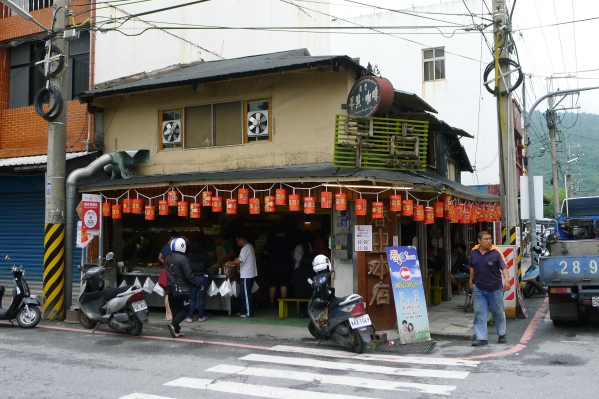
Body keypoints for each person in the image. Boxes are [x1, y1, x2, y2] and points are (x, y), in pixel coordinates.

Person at [470, 230, 511, 346]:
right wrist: (470, 281)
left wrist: (507, 280)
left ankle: (502, 334)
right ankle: (481, 338)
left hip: (495, 288)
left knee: (498, 312)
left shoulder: (496, 251)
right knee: (479, 312)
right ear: (479, 241)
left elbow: (504, 267)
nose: (489, 241)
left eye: (490, 239)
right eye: (486, 239)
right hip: (479, 288)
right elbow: (472, 266)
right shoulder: (474, 251)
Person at [165, 238, 204, 338]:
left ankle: (176, 331)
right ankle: (173, 325)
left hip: (170, 288)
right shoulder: (183, 259)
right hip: (181, 289)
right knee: (185, 309)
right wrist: (199, 285)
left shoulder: (168, 258)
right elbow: (189, 276)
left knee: (175, 310)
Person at [226, 232, 258, 318]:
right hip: (249, 273)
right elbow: (241, 259)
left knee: (246, 294)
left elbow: (239, 261)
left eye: (238, 241)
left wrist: (229, 263)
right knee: (244, 294)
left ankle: (248, 313)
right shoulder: (250, 246)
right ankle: (243, 311)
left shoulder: (245, 248)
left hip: (246, 275)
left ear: (243, 239)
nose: (237, 243)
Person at [263, 228, 295, 308]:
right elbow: (292, 254)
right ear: (285, 231)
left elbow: (265, 252)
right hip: (285, 265)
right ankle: (283, 302)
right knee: (283, 284)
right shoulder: (288, 240)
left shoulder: (271, 240)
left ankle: (271, 302)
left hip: (273, 265)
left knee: (272, 284)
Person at [184, 239, 211, 323]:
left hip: (193, 278)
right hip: (203, 276)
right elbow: (209, 265)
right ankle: (201, 317)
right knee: (201, 298)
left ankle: (190, 318)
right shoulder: (205, 255)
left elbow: (186, 267)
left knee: (192, 298)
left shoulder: (188, 256)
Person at [158, 231, 178, 323]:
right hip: (172, 273)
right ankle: (169, 316)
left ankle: (168, 314)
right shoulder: (174, 247)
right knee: (169, 294)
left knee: (168, 294)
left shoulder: (165, 246)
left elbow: (160, 257)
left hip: (166, 271)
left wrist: (165, 265)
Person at [290, 253, 316, 318]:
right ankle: (309, 311)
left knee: (302, 295)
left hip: (298, 294)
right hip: (310, 293)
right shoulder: (313, 271)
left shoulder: (297, 270)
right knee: (310, 294)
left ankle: (302, 311)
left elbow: (292, 282)